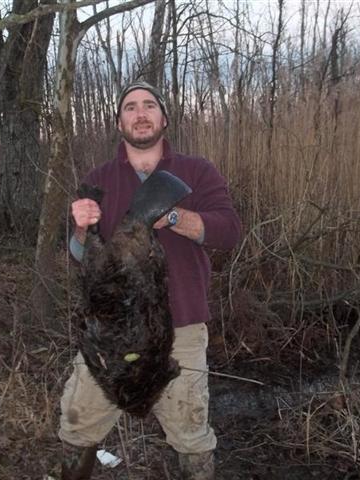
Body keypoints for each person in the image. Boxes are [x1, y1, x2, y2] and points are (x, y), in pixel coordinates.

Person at [59, 80, 242, 479]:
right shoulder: (99, 178)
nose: (140, 114)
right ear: (119, 122)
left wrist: (175, 217)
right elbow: (79, 256)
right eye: (130, 107)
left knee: (191, 435)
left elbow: (228, 232)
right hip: (110, 332)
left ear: (164, 118)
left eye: (148, 105)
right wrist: (81, 230)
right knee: (78, 424)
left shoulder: (197, 171)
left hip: (180, 328)